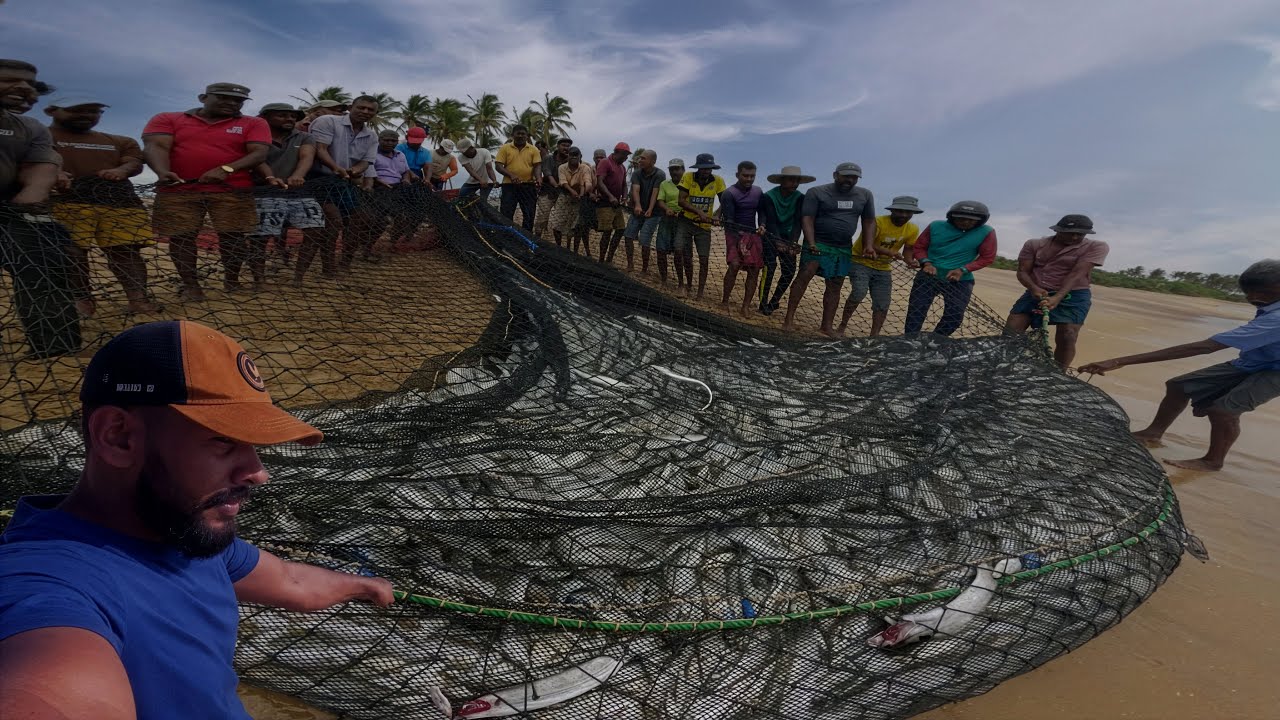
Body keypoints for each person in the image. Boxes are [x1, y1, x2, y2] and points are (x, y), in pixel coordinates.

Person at [0, 320, 395, 719]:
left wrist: (364, 585)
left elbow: (289, 580)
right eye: (222, 441)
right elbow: (46, 691)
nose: (258, 473)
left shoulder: (184, 531)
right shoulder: (47, 582)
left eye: (252, 445)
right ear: (118, 437)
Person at [1080, 260, 1280, 472]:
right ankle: (1153, 433)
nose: (1252, 298)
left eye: (1262, 292)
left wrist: (1118, 361)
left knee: (1224, 410)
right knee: (1179, 386)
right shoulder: (1269, 304)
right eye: (1248, 292)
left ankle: (1213, 461)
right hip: (1254, 361)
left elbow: (1204, 348)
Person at [141, 82, 270, 299]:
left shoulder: (254, 122)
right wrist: (162, 172)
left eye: (237, 100)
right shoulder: (167, 118)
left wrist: (226, 169)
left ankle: (232, 280)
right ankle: (191, 286)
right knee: (181, 237)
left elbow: (258, 153)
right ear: (203, 98)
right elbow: (156, 146)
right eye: (222, 97)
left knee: (233, 237)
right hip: (178, 189)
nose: (231, 103)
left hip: (232, 189)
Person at [45, 95, 158, 315]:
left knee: (126, 252)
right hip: (65, 203)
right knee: (71, 252)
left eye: (93, 111)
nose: (86, 115)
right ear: (51, 111)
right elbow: (34, 156)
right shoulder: (39, 135)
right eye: (77, 110)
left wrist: (121, 171)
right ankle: (82, 300)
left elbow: (134, 162)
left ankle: (138, 299)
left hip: (120, 203)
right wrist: (52, 172)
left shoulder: (121, 140)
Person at [0, 59, 81, 358]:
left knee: (44, 269)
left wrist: (31, 196)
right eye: (9, 80)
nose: (23, 88)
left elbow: (41, 165)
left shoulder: (30, 127)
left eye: (30, 85)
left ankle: (55, 349)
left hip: (14, 210)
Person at [781, 162, 876, 335]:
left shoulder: (865, 195)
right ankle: (788, 320)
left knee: (835, 285)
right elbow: (807, 218)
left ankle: (826, 326)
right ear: (835, 175)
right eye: (846, 176)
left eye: (854, 177)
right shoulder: (816, 192)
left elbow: (869, 221)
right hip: (818, 243)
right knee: (805, 274)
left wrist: (868, 245)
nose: (849, 180)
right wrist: (811, 243)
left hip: (843, 247)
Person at [1005, 214, 1109, 367]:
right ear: (1058, 230)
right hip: (1037, 291)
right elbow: (1022, 272)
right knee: (1011, 331)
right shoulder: (1034, 244)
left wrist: (1058, 297)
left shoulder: (1097, 247)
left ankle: (1060, 373)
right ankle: (1005, 364)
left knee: (1068, 335)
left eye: (1079, 234)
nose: (1074, 237)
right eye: (1069, 233)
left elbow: (1076, 274)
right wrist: (1034, 288)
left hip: (1074, 295)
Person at [250, 103, 326, 288]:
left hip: (297, 190)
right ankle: (259, 280)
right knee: (260, 236)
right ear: (265, 118)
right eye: (282, 116)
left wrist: (298, 175)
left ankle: (298, 277)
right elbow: (257, 158)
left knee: (316, 229)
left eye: (293, 116)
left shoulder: (305, 136)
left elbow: (306, 157)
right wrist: (270, 177)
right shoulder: (257, 135)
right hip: (263, 191)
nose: (289, 119)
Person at [306, 95, 380, 273]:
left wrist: (355, 170)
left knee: (361, 219)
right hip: (317, 179)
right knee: (333, 222)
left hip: (343, 181)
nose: (365, 112)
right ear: (350, 107)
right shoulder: (328, 121)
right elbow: (319, 149)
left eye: (370, 110)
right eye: (361, 107)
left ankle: (345, 262)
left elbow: (367, 162)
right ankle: (328, 267)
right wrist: (336, 168)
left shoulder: (371, 136)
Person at [903, 200, 998, 336]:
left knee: (955, 316)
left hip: (960, 280)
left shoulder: (986, 232)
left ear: (980, 221)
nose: (965, 222)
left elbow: (987, 257)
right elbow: (919, 247)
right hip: (928, 276)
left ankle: (935, 341)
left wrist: (962, 270)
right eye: (961, 218)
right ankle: (910, 340)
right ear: (952, 216)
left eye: (971, 220)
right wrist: (926, 263)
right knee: (916, 311)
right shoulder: (936, 226)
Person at [839, 195, 924, 337]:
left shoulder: (912, 229)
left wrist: (910, 261)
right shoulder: (877, 222)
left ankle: (874, 335)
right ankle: (842, 325)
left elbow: (908, 250)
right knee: (859, 292)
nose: (904, 215)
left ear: (912, 214)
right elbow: (868, 244)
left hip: (884, 268)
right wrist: (890, 252)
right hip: (860, 261)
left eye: (908, 212)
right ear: (893, 210)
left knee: (882, 303)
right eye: (900, 211)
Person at [758, 165, 812, 315]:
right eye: (791, 180)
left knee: (789, 271)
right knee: (769, 268)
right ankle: (762, 302)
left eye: (797, 181)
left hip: (789, 236)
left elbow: (797, 222)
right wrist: (778, 242)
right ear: (782, 181)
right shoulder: (769, 196)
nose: (794, 183)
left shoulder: (800, 198)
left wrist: (793, 242)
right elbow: (771, 221)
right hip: (770, 235)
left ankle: (774, 301)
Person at [719, 161, 767, 317]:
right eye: (745, 175)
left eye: (752, 176)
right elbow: (729, 220)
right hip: (733, 234)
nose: (749, 179)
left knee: (754, 270)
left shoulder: (758, 192)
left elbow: (762, 212)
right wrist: (739, 240)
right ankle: (725, 301)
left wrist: (762, 225)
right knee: (734, 265)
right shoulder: (729, 193)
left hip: (753, 234)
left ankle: (745, 306)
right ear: (737, 175)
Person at [676, 153, 727, 299]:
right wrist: (699, 211)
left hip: (704, 226)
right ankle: (682, 285)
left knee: (703, 259)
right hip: (685, 221)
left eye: (709, 168)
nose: (706, 171)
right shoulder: (688, 177)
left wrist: (717, 215)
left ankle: (700, 291)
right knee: (679, 251)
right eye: (703, 168)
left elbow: (725, 202)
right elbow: (681, 200)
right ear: (698, 168)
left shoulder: (718, 181)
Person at [624, 149, 665, 273]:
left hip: (654, 214)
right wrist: (637, 205)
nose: (640, 160)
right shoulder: (637, 173)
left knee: (644, 241)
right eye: (640, 158)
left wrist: (650, 209)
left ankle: (644, 268)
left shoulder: (660, 174)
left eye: (643, 158)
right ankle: (630, 264)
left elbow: (655, 192)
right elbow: (635, 190)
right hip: (638, 211)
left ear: (652, 161)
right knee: (628, 236)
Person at [495, 125, 542, 232]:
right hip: (509, 186)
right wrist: (511, 175)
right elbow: (498, 166)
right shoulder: (505, 148)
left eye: (523, 134)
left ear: (527, 136)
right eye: (518, 133)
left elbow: (537, 165)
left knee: (529, 214)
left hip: (528, 186)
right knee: (506, 214)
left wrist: (539, 177)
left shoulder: (533, 149)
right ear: (512, 135)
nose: (520, 136)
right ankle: (508, 239)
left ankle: (527, 238)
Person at [552, 146, 595, 252]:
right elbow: (563, 182)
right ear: (568, 156)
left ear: (580, 156)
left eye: (576, 155)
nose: (574, 157)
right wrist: (572, 191)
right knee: (557, 224)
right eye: (572, 155)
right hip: (564, 196)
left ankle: (572, 251)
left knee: (575, 226)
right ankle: (559, 247)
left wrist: (582, 193)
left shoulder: (585, 168)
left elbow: (587, 183)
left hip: (579, 200)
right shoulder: (562, 167)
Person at [595, 142, 631, 264]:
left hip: (616, 205)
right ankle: (601, 260)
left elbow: (625, 185)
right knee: (607, 231)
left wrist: (625, 197)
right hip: (605, 203)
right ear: (616, 152)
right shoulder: (605, 162)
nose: (626, 157)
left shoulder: (622, 167)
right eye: (624, 154)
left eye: (627, 155)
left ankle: (609, 259)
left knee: (620, 229)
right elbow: (600, 182)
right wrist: (610, 196)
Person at [654, 157, 685, 286]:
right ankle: (664, 279)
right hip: (667, 219)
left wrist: (683, 212)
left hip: (683, 221)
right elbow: (660, 200)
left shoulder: (688, 184)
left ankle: (681, 282)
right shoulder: (664, 184)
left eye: (677, 169)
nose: (674, 172)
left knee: (679, 253)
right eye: (672, 169)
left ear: (683, 169)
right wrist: (667, 209)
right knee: (661, 250)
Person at [536, 136, 571, 239]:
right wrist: (556, 185)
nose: (566, 148)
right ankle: (536, 239)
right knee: (542, 218)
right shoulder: (549, 158)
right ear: (558, 146)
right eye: (563, 145)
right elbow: (547, 174)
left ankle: (558, 246)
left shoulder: (570, 160)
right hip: (547, 191)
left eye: (568, 146)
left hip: (563, 193)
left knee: (560, 221)